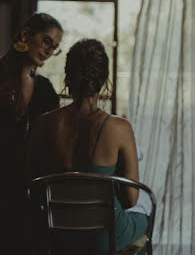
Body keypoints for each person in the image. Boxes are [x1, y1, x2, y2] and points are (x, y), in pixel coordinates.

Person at [28, 39, 149, 254]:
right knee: (145, 214)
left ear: (68, 77)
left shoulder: (41, 124)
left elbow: (35, 189)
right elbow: (131, 200)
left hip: (53, 236)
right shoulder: (119, 128)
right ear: (103, 79)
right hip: (103, 238)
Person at [0, 12, 63, 252]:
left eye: (55, 48)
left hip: (25, 190)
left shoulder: (45, 90)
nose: (49, 51)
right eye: (47, 41)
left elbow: (51, 144)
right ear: (26, 34)